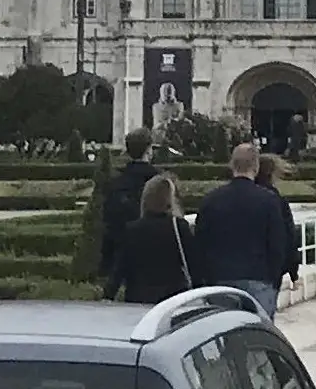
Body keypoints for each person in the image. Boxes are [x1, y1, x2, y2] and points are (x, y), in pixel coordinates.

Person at [193, 141, 301, 320]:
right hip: (259, 279)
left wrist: (205, 280)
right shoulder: (269, 201)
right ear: (256, 167)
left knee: (224, 335)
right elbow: (278, 244)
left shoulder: (211, 200)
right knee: (258, 339)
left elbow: (200, 243)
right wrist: (273, 280)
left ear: (231, 165)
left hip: (220, 280)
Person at [103, 172, 199, 305]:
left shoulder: (132, 229)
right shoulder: (178, 226)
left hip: (138, 298)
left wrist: (108, 295)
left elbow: (120, 268)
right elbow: (193, 264)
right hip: (173, 299)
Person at [97, 128, 158, 283]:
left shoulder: (116, 182)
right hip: (151, 251)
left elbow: (107, 222)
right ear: (149, 150)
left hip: (120, 250)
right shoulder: (159, 181)